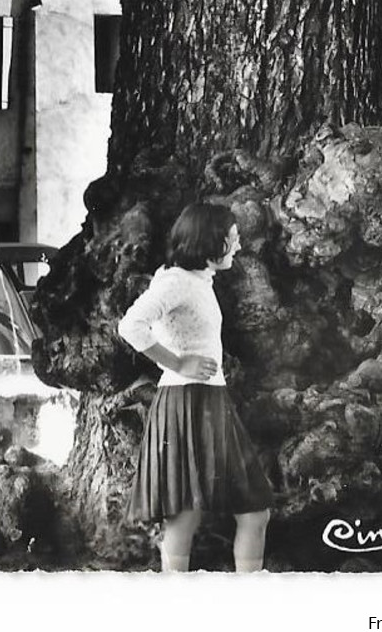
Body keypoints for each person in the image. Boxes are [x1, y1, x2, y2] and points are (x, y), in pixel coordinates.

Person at [117, 202, 274, 572]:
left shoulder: (196, 281)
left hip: (209, 399)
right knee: (184, 516)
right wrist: (176, 362)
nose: (237, 247)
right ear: (209, 241)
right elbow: (131, 325)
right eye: (231, 240)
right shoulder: (176, 282)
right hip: (187, 400)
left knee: (252, 512)